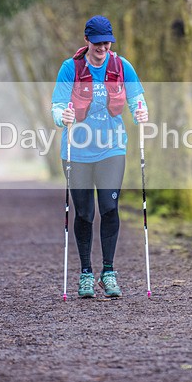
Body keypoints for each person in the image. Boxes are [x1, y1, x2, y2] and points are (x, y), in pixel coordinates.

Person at [51, 15, 148, 298]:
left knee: (109, 207)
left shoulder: (121, 66)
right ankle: (85, 274)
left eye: (107, 43)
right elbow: (57, 106)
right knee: (84, 213)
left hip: (112, 148)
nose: (103, 48)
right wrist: (62, 115)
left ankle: (108, 272)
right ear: (87, 41)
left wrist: (141, 111)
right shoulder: (70, 68)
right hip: (77, 151)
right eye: (98, 43)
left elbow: (136, 99)